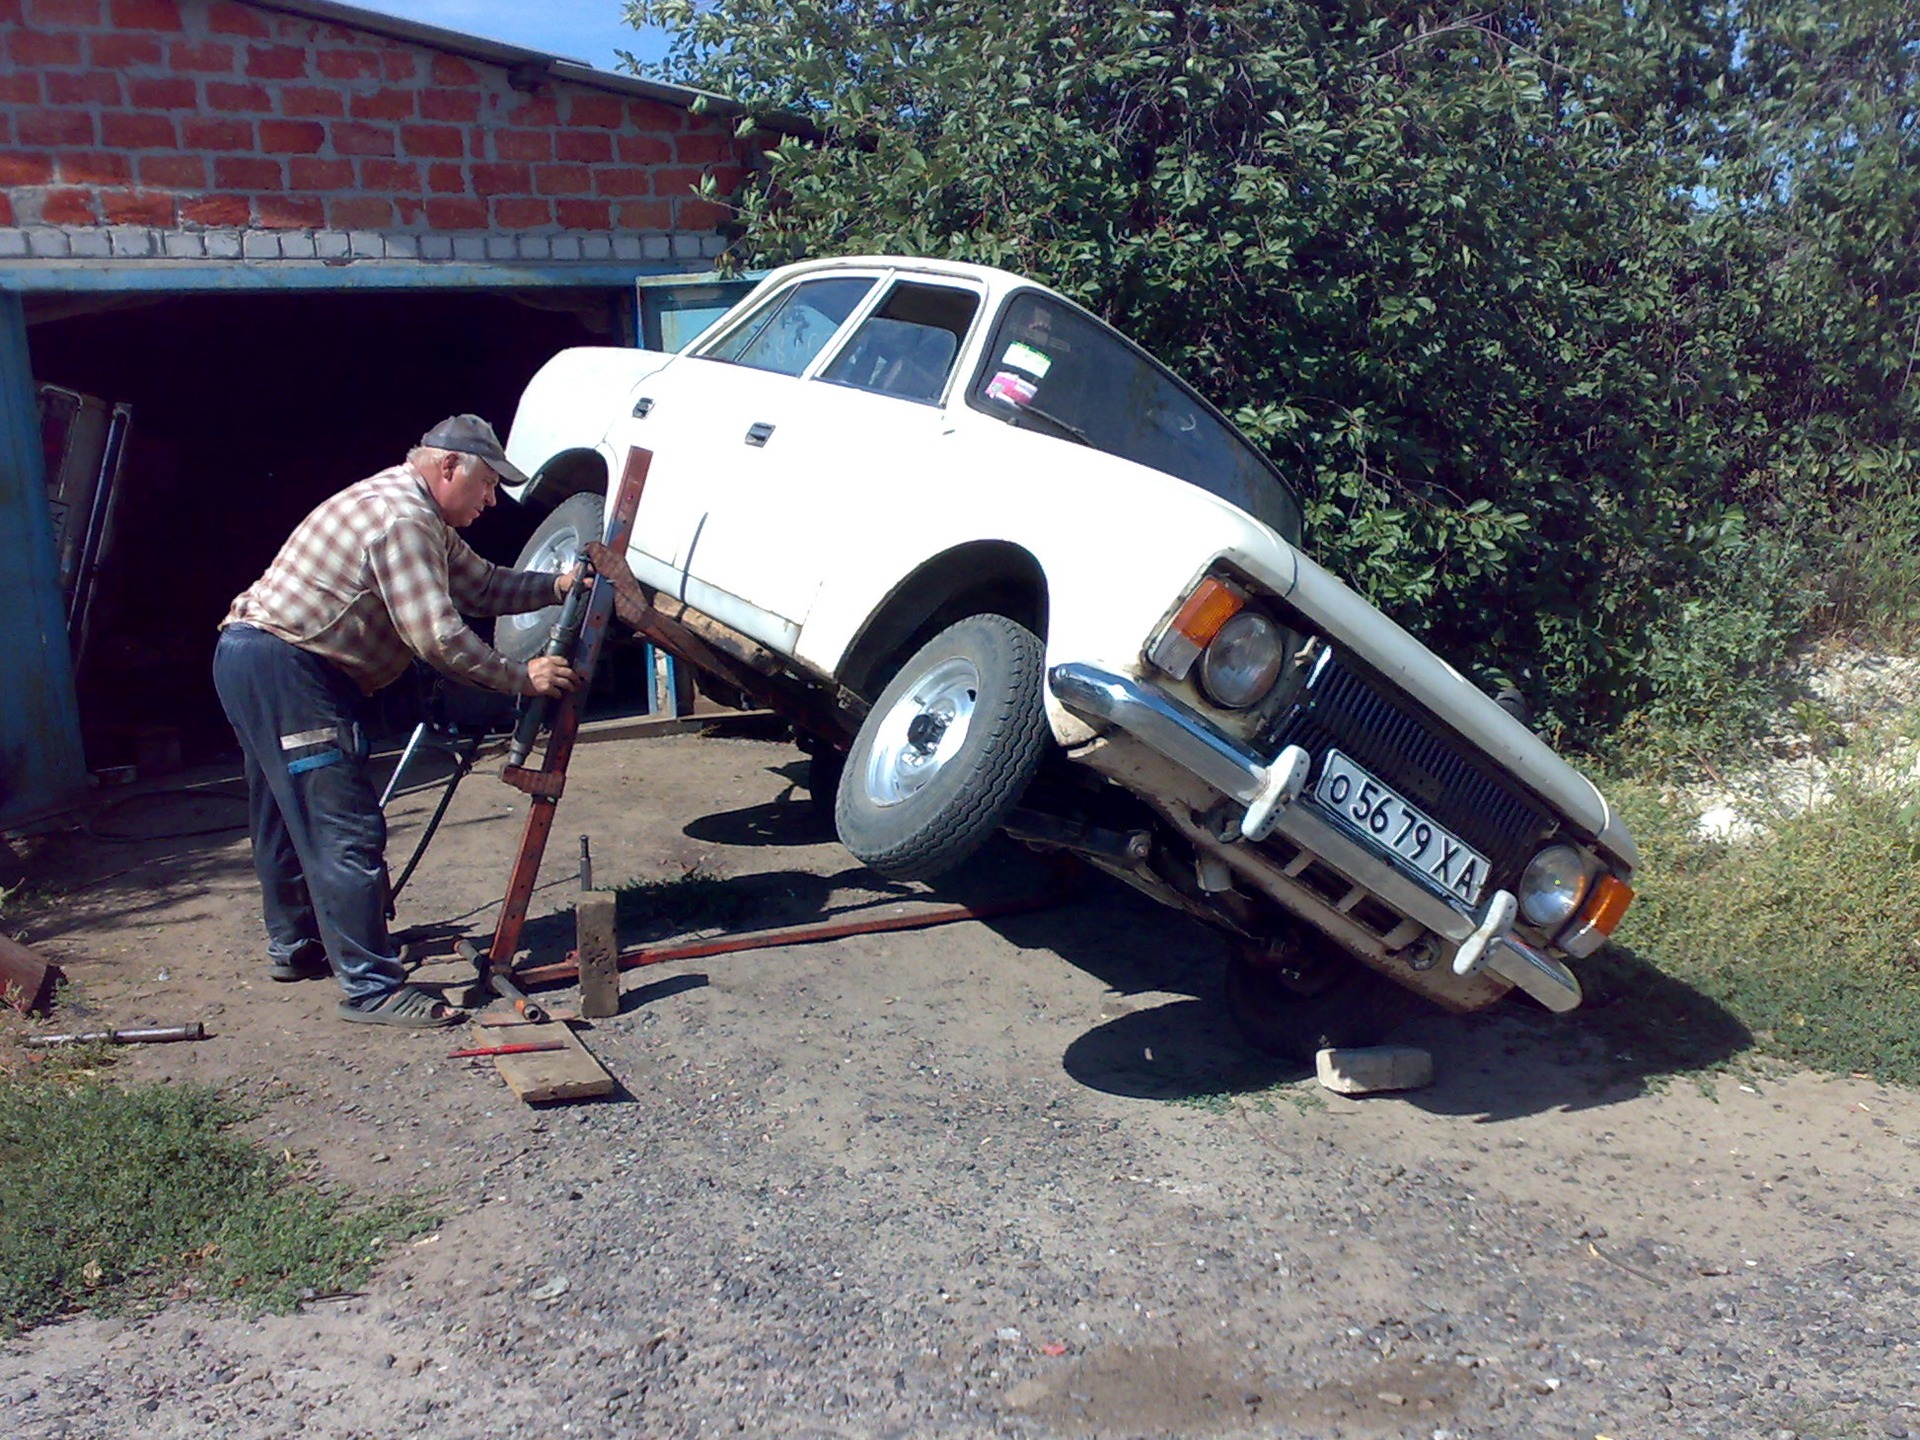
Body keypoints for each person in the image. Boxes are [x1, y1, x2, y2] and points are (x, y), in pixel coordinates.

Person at [214, 415, 584, 1028]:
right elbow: (439, 638)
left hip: (259, 660)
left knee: (284, 816)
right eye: (487, 484)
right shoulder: (403, 518)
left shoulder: (421, 515)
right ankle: (372, 988)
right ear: (447, 468)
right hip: (288, 668)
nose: (492, 501)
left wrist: (559, 584)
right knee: (342, 825)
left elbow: (484, 587)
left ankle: (299, 945)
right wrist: (523, 677)